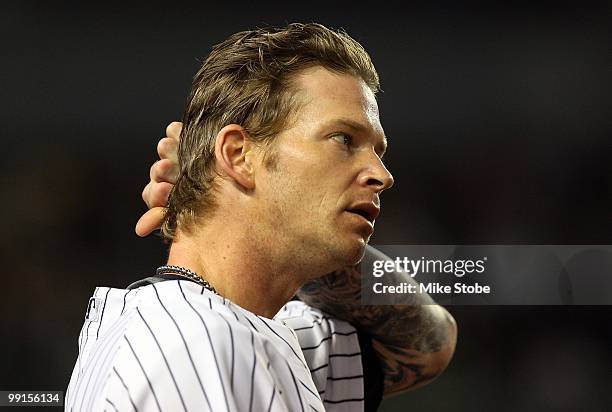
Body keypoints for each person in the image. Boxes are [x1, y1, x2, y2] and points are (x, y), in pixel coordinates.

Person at [66, 23, 457, 411]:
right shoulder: (187, 346)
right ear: (239, 155)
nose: (382, 175)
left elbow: (429, 346)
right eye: (344, 139)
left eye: (378, 151)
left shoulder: (239, 328)